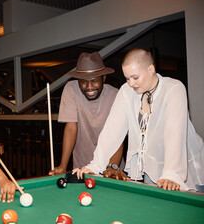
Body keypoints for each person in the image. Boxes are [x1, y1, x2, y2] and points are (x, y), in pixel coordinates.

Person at [74, 48, 204, 192]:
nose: (130, 83)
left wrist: (172, 174)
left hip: (188, 169)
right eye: (127, 78)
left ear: (151, 69)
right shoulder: (126, 91)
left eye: (135, 77)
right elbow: (112, 130)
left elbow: (174, 133)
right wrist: (96, 165)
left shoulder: (174, 88)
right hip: (151, 168)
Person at [49, 52, 128, 180]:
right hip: (82, 169)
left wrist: (112, 167)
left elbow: (117, 136)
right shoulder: (71, 89)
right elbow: (71, 128)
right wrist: (63, 166)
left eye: (94, 81)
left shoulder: (116, 95)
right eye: (84, 82)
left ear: (103, 78)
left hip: (112, 168)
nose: (89, 87)